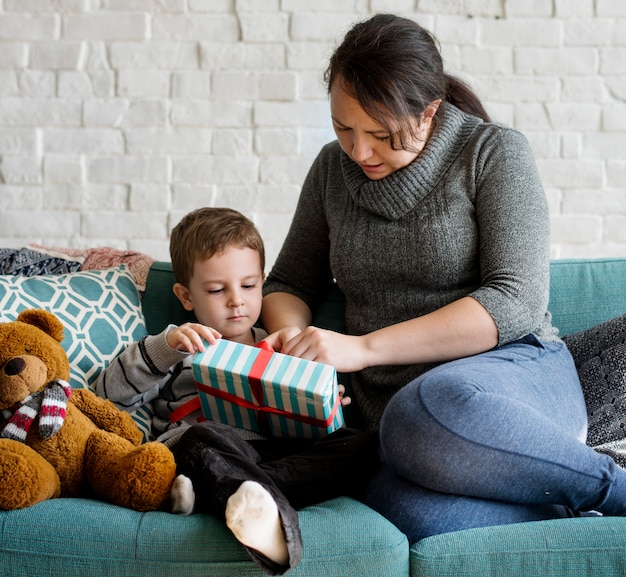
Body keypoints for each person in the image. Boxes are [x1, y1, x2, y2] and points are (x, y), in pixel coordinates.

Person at [261, 13, 626, 543]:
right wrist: (295, 344)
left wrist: (360, 348)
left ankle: (609, 486)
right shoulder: (329, 171)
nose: (359, 151)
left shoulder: (492, 152)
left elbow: (515, 302)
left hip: (514, 379)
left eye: (382, 135)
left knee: (419, 413)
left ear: (429, 112)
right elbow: (290, 283)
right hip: (404, 430)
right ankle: (564, 508)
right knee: (401, 509)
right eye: (344, 128)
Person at [96, 207, 375, 576]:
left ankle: (223, 495)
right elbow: (107, 394)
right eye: (216, 290)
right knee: (204, 436)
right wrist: (166, 346)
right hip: (205, 446)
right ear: (186, 296)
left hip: (273, 452)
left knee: (360, 444)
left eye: (248, 286)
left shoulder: (278, 349)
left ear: (263, 282)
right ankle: (268, 526)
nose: (236, 300)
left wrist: (323, 405)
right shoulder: (179, 346)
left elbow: (310, 420)